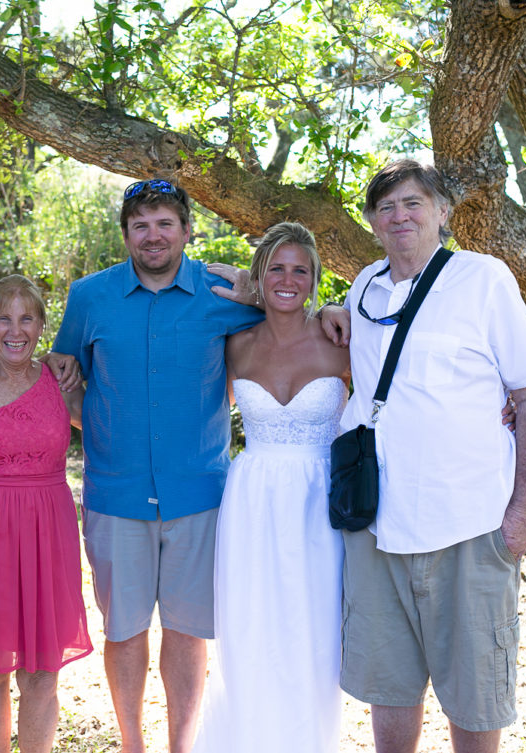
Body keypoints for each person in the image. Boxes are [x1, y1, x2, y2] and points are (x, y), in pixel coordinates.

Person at [321, 160, 526, 753]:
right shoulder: (365, 286)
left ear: (443, 214)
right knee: (389, 688)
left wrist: (521, 514)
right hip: (378, 527)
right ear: (373, 222)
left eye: (413, 203)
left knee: (476, 695)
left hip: (470, 527)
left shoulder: (484, 279)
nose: (399, 215)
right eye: (386, 206)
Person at [51, 178, 263, 753]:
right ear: (125, 235)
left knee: (188, 630)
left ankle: (180, 746)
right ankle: (131, 744)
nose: (153, 235)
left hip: (199, 494)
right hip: (115, 496)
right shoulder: (88, 296)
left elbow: (281, 338)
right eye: (141, 225)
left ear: (187, 231)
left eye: (165, 223)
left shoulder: (227, 294)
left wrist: (321, 308)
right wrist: (98, 425)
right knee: (123, 630)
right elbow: (64, 374)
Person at [192, 223, 350, 753]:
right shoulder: (235, 343)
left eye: (299, 270)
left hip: (320, 501)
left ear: (315, 279)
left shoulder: (341, 341)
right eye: (275, 268)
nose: (288, 280)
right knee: (252, 629)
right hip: (252, 501)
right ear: (259, 277)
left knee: (315, 632)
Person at [0, 275, 92, 753]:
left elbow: (113, 429)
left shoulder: (61, 381)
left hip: (48, 534)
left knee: (42, 673)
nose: (15, 329)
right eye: (4, 317)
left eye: (27, 318)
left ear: (42, 325)